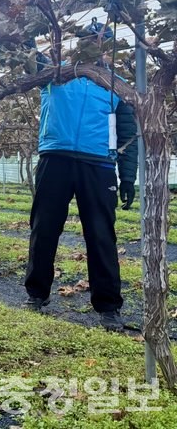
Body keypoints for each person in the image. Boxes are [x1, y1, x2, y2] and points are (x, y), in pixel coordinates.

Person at [25, 63, 137, 332]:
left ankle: (109, 307)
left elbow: (128, 134)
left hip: (99, 165)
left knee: (101, 236)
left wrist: (129, 177)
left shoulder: (116, 84)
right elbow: (28, 58)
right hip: (55, 158)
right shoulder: (54, 72)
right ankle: (36, 294)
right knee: (44, 229)